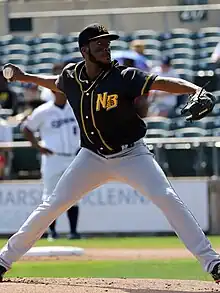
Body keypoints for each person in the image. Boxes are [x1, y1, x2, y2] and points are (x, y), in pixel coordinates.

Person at [0, 23, 220, 283]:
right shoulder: (72, 76)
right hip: (92, 157)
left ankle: (213, 263)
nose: (106, 49)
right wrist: (25, 77)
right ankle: (3, 261)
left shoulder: (123, 76)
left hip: (132, 155)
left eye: (108, 44)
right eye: (99, 44)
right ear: (85, 50)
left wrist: (195, 89)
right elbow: (56, 83)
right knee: (51, 205)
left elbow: (161, 82)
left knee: (168, 199)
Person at [22, 87, 81, 241]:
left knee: (74, 195)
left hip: (74, 156)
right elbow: (26, 128)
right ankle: (52, 232)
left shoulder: (76, 107)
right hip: (53, 157)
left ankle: (73, 232)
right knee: (50, 196)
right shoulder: (43, 111)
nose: (62, 92)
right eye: (59, 90)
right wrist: (37, 146)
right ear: (53, 92)